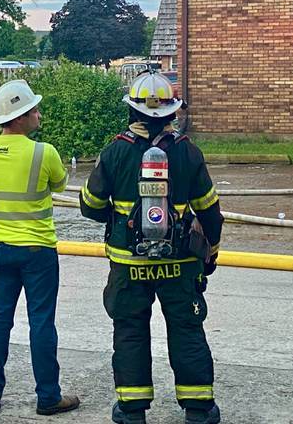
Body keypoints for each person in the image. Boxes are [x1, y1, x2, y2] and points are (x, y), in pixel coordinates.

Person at [79, 72, 223, 424]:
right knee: (187, 330)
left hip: (129, 266)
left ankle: (132, 410)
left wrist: (118, 216)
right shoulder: (188, 152)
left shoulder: (115, 151)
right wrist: (211, 255)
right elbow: (210, 211)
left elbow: (90, 205)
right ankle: (198, 409)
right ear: (172, 113)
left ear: (132, 111)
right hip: (180, 263)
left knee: (130, 331)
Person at [0, 79, 80, 416]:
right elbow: (60, 183)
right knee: (41, 323)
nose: (38, 113)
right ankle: (48, 397)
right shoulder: (43, 152)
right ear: (20, 117)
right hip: (37, 251)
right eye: (33, 109)